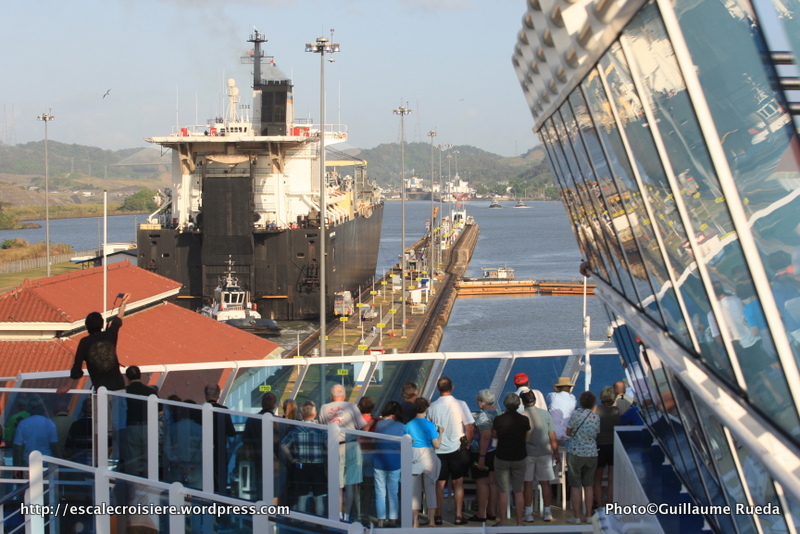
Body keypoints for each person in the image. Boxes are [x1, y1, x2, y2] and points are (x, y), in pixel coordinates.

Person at [57, 293, 131, 394]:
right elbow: (118, 320)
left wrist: (67, 387)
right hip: (119, 388)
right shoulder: (110, 334)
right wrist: (123, 304)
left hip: (100, 391)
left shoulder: (84, 342)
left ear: (87, 326)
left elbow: (76, 368)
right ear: (101, 324)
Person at [426, 376, 475, 525]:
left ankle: (438, 514)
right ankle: (459, 515)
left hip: (438, 449)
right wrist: (467, 443)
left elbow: (429, 429)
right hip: (457, 449)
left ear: (438, 389)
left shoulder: (432, 407)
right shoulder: (460, 404)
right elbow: (469, 427)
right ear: (452, 387)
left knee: (439, 484)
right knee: (458, 482)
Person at [318, 384, 368, 523]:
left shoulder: (324, 408)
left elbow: (322, 428)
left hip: (334, 447)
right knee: (350, 484)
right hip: (352, 445)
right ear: (344, 395)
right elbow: (363, 426)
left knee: (337, 484)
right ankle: (347, 515)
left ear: (330, 395)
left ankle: (338, 514)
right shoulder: (352, 407)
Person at [281, 400, 328, 515]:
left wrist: (291, 459)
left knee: (302, 498)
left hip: (301, 466)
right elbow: (328, 446)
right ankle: (320, 524)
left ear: (301, 415)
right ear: (315, 414)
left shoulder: (295, 430)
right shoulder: (321, 430)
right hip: (318, 466)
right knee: (319, 498)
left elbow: (283, 445)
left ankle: (301, 524)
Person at [520, 389, 560, 523]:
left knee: (528, 483)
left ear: (523, 402)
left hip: (527, 453)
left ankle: (528, 512)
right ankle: (547, 512)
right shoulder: (545, 414)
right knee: (545, 483)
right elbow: (552, 435)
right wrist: (556, 453)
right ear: (535, 401)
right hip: (544, 452)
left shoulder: (522, 416)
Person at [492, 392, 530, 527]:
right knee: (518, 490)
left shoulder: (499, 420)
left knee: (503, 491)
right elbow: (526, 438)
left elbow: (495, 435)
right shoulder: (524, 420)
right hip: (519, 456)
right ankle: (519, 521)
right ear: (518, 404)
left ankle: (502, 521)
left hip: (502, 456)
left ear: (505, 404)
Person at [404, 397, 442, 528]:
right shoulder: (430, 425)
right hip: (428, 457)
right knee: (430, 490)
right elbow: (436, 445)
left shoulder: (408, 425)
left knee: (414, 493)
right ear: (426, 408)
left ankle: (415, 521)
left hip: (414, 457)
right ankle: (431, 520)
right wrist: (440, 433)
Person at [566, 390, 601, 525]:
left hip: (576, 452)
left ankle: (576, 516)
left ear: (580, 401)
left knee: (575, 486)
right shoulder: (595, 417)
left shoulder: (575, 415)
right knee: (588, 485)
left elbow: (568, 432)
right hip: (591, 453)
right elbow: (596, 433)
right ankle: (588, 515)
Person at [468, 389, 499, 523]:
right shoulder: (498, 413)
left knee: (482, 483)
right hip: (495, 451)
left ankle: (482, 513)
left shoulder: (484, 416)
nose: (478, 403)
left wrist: (481, 457)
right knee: (493, 483)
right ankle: (492, 511)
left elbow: (485, 436)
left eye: (479, 401)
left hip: (483, 453)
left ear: (483, 402)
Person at [242, 392, 280, 503]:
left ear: (262, 404)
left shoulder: (252, 420)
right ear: (274, 405)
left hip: (257, 460)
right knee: (274, 492)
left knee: (259, 490)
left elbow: (246, 441)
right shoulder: (279, 422)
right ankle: (272, 517)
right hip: (275, 462)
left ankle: (260, 515)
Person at [373, 401, 405, 528]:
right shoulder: (402, 427)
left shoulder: (380, 425)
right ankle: (393, 519)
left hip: (379, 462)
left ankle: (380, 520)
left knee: (380, 492)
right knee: (393, 492)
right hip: (395, 462)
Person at [123, 366, 157, 476]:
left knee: (133, 460)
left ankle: (134, 484)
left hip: (131, 427)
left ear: (127, 377)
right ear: (140, 376)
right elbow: (159, 411)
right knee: (149, 458)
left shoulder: (124, 392)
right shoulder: (150, 392)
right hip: (149, 428)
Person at [13, 396, 59, 474]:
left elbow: (17, 447)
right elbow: (54, 446)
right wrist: (60, 463)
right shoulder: (49, 423)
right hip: (47, 463)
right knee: (48, 486)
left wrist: (16, 467)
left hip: (29, 463)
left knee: (28, 485)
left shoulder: (23, 423)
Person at [204, 383, 235, 495]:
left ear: (206, 396)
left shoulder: (200, 410)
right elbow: (231, 432)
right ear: (218, 396)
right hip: (220, 450)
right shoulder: (223, 410)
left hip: (203, 450)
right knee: (220, 477)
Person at [594, 386, 621, 510]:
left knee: (597, 478)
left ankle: (600, 505)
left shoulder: (596, 409)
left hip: (599, 446)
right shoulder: (617, 411)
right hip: (613, 446)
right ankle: (610, 504)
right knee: (612, 479)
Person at [547, 377, 577, 443]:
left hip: (553, 434)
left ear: (558, 388)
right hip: (566, 435)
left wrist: (555, 391)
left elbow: (548, 398)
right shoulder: (573, 398)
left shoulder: (553, 395)